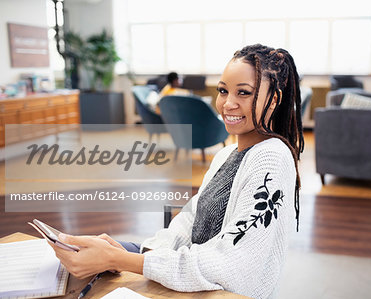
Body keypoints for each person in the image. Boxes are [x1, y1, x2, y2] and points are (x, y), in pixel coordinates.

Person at [50, 44, 304, 299]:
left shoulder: (272, 156)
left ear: (274, 100)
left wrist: (122, 259)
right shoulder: (225, 155)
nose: (228, 103)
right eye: (223, 91)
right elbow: (187, 224)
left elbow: (230, 266)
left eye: (244, 93)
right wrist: (128, 253)